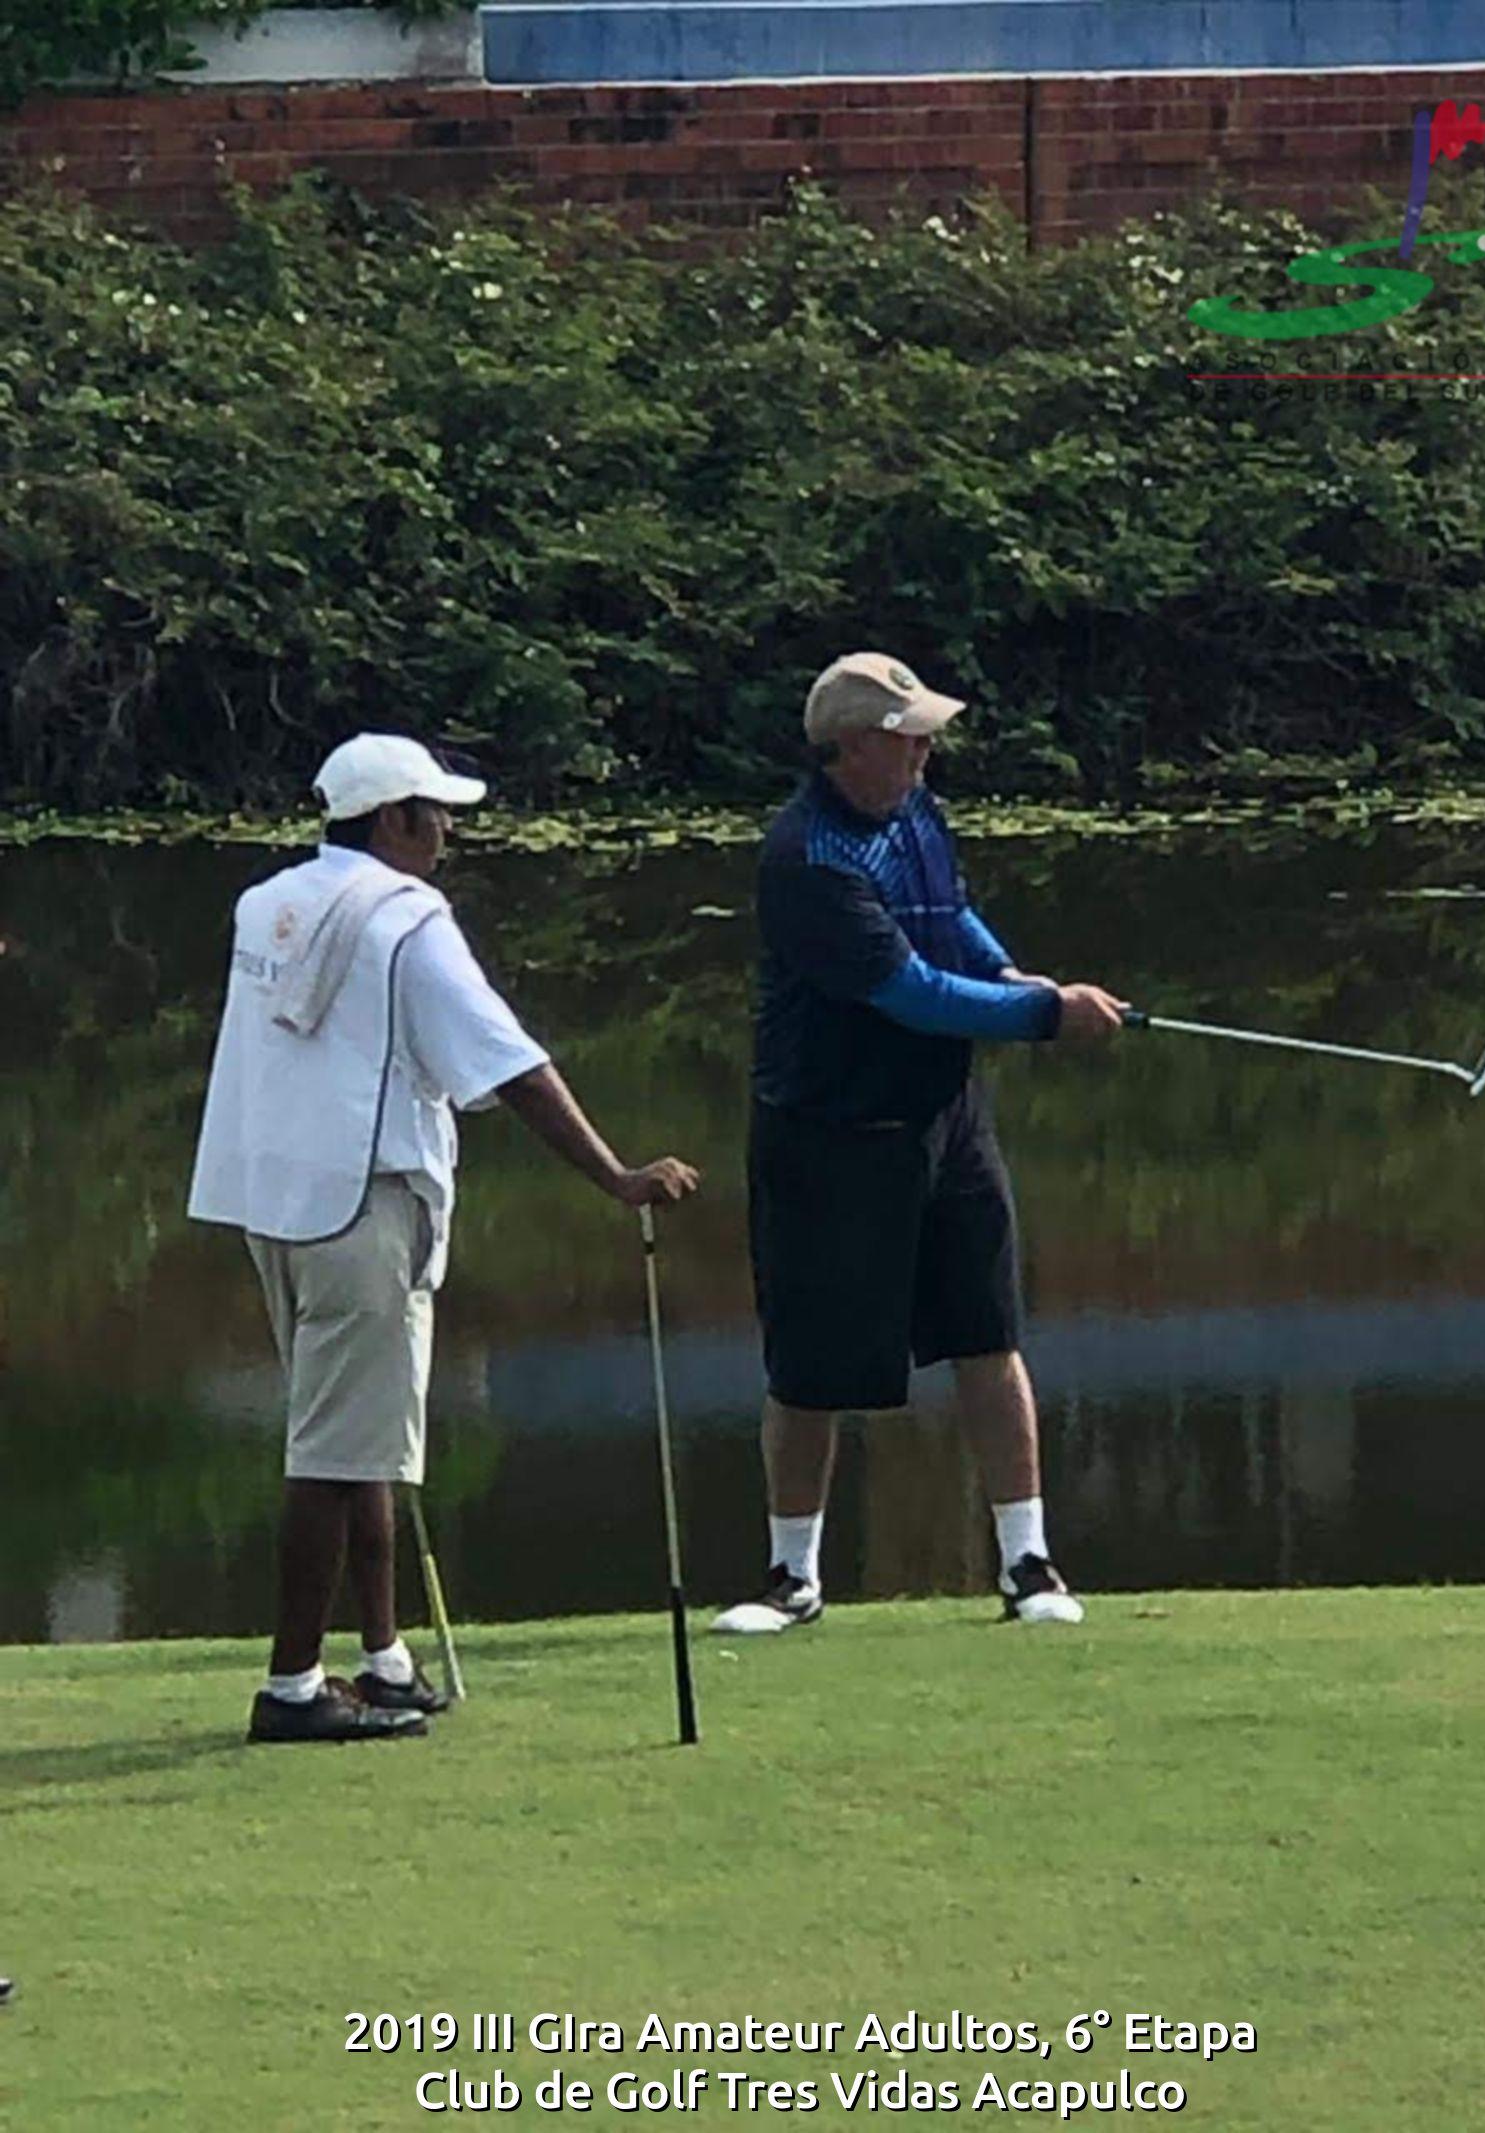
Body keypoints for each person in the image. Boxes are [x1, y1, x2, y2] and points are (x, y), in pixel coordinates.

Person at [190, 734, 699, 1742]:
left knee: (359, 1436)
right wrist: (614, 1176)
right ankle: (292, 1687)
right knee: (333, 1452)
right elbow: (511, 1064)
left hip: (275, 1204)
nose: (447, 833)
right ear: (394, 820)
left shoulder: (268, 902)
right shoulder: (408, 919)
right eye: (435, 814)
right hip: (363, 1206)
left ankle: (383, 1659)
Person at [714, 654, 1125, 1635]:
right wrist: (1043, 1016)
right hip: (830, 1129)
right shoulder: (809, 858)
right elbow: (911, 993)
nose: (926, 751)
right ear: (854, 745)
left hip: (945, 1116)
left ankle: (1026, 1562)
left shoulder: (914, 812)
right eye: (910, 738)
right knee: (810, 1364)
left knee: (987, 1333)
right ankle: (791, 1577)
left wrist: (1012, 976)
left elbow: (950, 919)